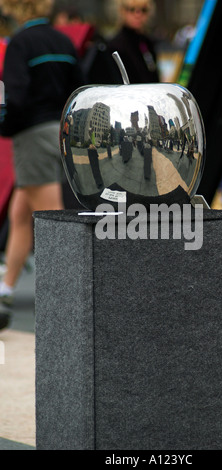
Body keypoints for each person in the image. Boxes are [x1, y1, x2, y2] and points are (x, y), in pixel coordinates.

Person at [0, 0, 85, 330]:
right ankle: (6, 288)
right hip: (59, 132)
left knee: (52, 218)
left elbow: (15, 97)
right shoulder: (62, 41)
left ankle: (67, 300)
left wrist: (4, 126)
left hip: (32, 135)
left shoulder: (20, 43)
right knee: (21, 213)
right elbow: (79, 88)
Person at [107, 0, 160, 84]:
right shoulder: (115, 45)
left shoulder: (148, 42)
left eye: (143, 10)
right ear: (123, 12)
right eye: (131, 10)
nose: (138, 15)